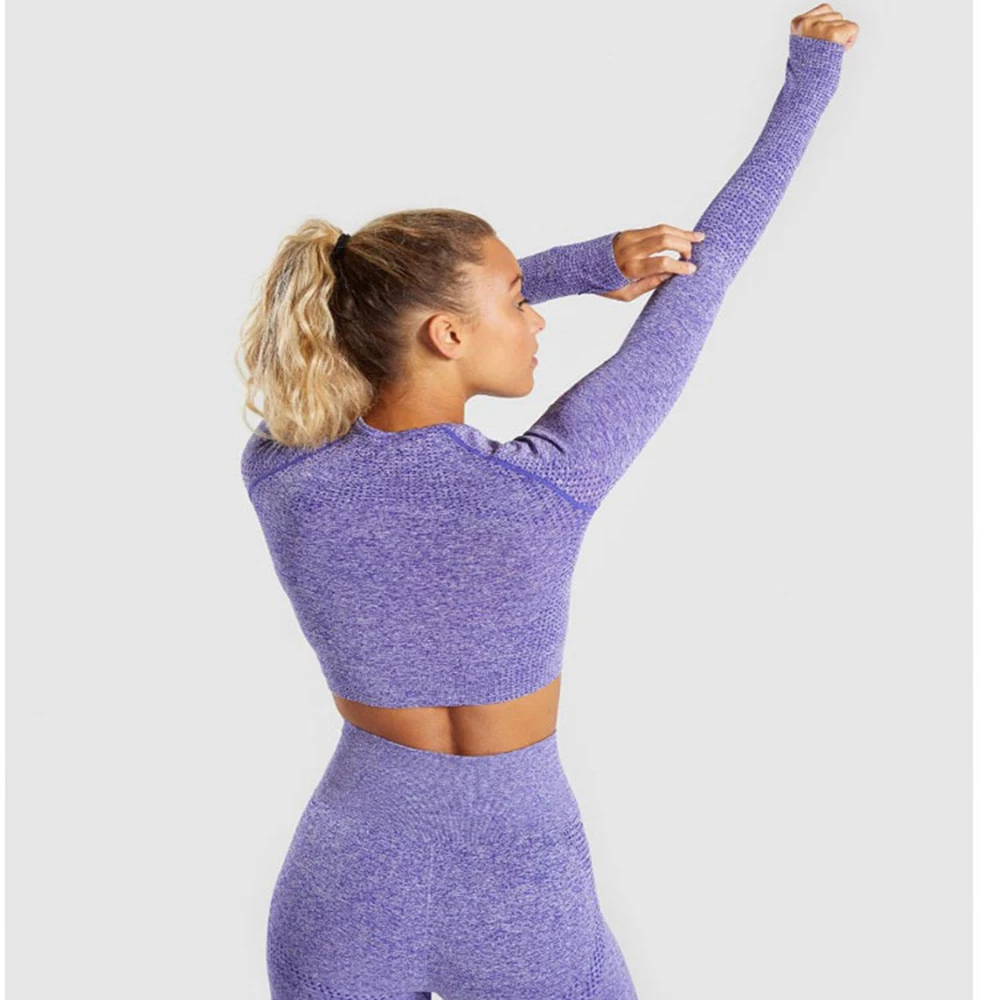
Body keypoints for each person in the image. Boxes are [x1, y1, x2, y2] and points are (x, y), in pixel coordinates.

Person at [235, 6, 857, 998]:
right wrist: (810, 78)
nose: (536, 319)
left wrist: (576, 268)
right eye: (520, 296)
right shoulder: (546, 480)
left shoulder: (280, 471)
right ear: (447, 335)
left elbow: (398, 326)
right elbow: (711, 272)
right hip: (519, 883)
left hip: (350, 875)